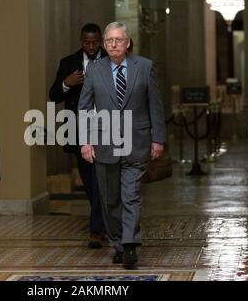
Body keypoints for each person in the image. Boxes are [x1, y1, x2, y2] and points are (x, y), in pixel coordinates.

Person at [78, 22, 166, 269]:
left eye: (118, 40)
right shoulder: (94, 70)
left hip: (136, 143)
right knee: (110, 200)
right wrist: (85, 141)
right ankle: (118, 242)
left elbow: (155, 105)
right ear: (105, 44)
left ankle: (130, 245)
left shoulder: (144, 67)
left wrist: (158, 138)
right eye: (109, 41)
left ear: (128, 43)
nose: (113, 44)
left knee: (131, 195)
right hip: (104, 144)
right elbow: (84, 108)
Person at [49, 23, 107, 249]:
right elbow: (53, 95)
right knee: (89, 180)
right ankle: (102, 222)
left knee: (99, 178)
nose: (90, 46)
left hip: (106, 128)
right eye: (86, 42)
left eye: (94, 42)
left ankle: (95, 229)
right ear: (81, 40)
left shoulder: (112, 60)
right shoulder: (68, 63)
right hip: (78, 128)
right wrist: (66, 83)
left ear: (100, 40)